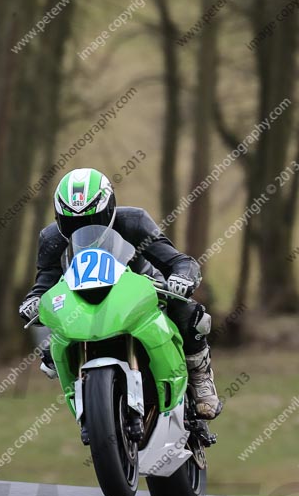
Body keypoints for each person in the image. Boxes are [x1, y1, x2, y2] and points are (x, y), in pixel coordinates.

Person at [19, 168, 222, 419]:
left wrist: (181, 276)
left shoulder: (134, 222)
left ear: (109, 209)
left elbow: (175, 260)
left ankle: (200, 376)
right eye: (73, 223)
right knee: (50, 338)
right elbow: (45, 280)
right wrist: (33, 300)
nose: (83, 228)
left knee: (188, 311)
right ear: (59, 218)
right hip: (82, 295)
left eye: (93, 220)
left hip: (142, 287)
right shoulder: (51, 238)